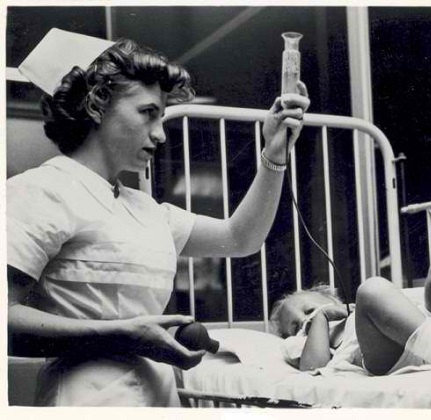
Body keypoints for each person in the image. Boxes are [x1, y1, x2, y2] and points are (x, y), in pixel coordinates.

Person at [7, 28, 310, 406]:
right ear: (97, 104)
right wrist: (122, 334)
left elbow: (240, 238)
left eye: (162, 116)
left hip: (159, 398)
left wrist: (275, 152)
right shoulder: (41, 192)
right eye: (148, 113)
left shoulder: (146, 210)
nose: (162, 134)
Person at [270, 258, 431, 375]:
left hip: (424, 327)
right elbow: (312, 369)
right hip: (385, 351)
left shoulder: (352, 313)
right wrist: (321, 316)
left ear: (333, 300)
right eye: (295, 327)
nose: (304, 320)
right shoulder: (303, 341)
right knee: (370, 290)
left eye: (310, 311)